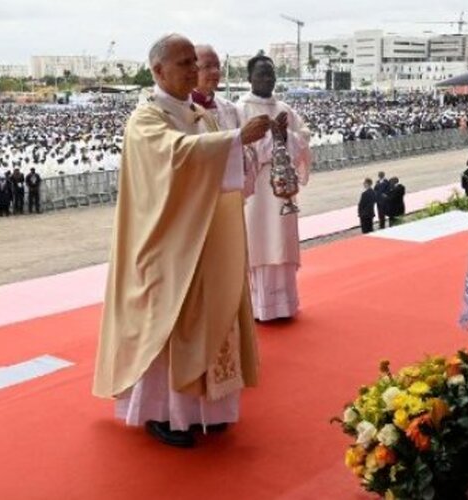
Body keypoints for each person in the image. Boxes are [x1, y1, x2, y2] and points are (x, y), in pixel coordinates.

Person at [93, 34, 272, 448]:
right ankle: (166, 414)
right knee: (172, 325)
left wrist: (243, 148)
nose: (194, 70)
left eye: (195, 62)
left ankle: (211, 408)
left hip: (207, 240)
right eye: (183, 63)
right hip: (168, 246)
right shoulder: (146, 119)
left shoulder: (200, 113)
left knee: (213, 319)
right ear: (157, 71)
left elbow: (223, 171)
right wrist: (233, 140)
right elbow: (174, 156)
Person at [237, 53, 312, 322]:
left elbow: (302, 140)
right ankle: (260, 308)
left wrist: (284, 137)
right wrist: (269, 139)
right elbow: (238, 147)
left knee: (282, 241)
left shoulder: (285, 108)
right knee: (258, 242)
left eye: (271, 74)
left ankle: (286, 305)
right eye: (261, 74)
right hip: (257, 186)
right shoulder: (240, 109)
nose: (268, 79)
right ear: (249, 78)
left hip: (282, 189)